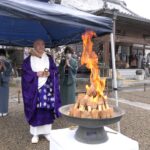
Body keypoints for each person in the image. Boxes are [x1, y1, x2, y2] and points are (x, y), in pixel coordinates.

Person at [21, 39, 61, 143]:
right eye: (38, 44)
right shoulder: (28, 60)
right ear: (34, 46)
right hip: (35, 89)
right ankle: (35, 134)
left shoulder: (49, 58)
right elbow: (25, 74)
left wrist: (50, 73)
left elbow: (55, 70)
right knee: (36, 110)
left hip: (47, 87)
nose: (40, 46)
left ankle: (47, 132)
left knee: (47, 110)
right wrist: (35, 74)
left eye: (42, 44)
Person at [0, 49, 12, 117]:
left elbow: (8, 72)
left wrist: (3, 66)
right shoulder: (8, 62)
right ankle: (3, 111)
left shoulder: (8, 62)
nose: (1, 57)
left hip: (4, 82)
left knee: (4, 97)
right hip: (3, 81)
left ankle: (4, 111)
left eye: (2, 55)